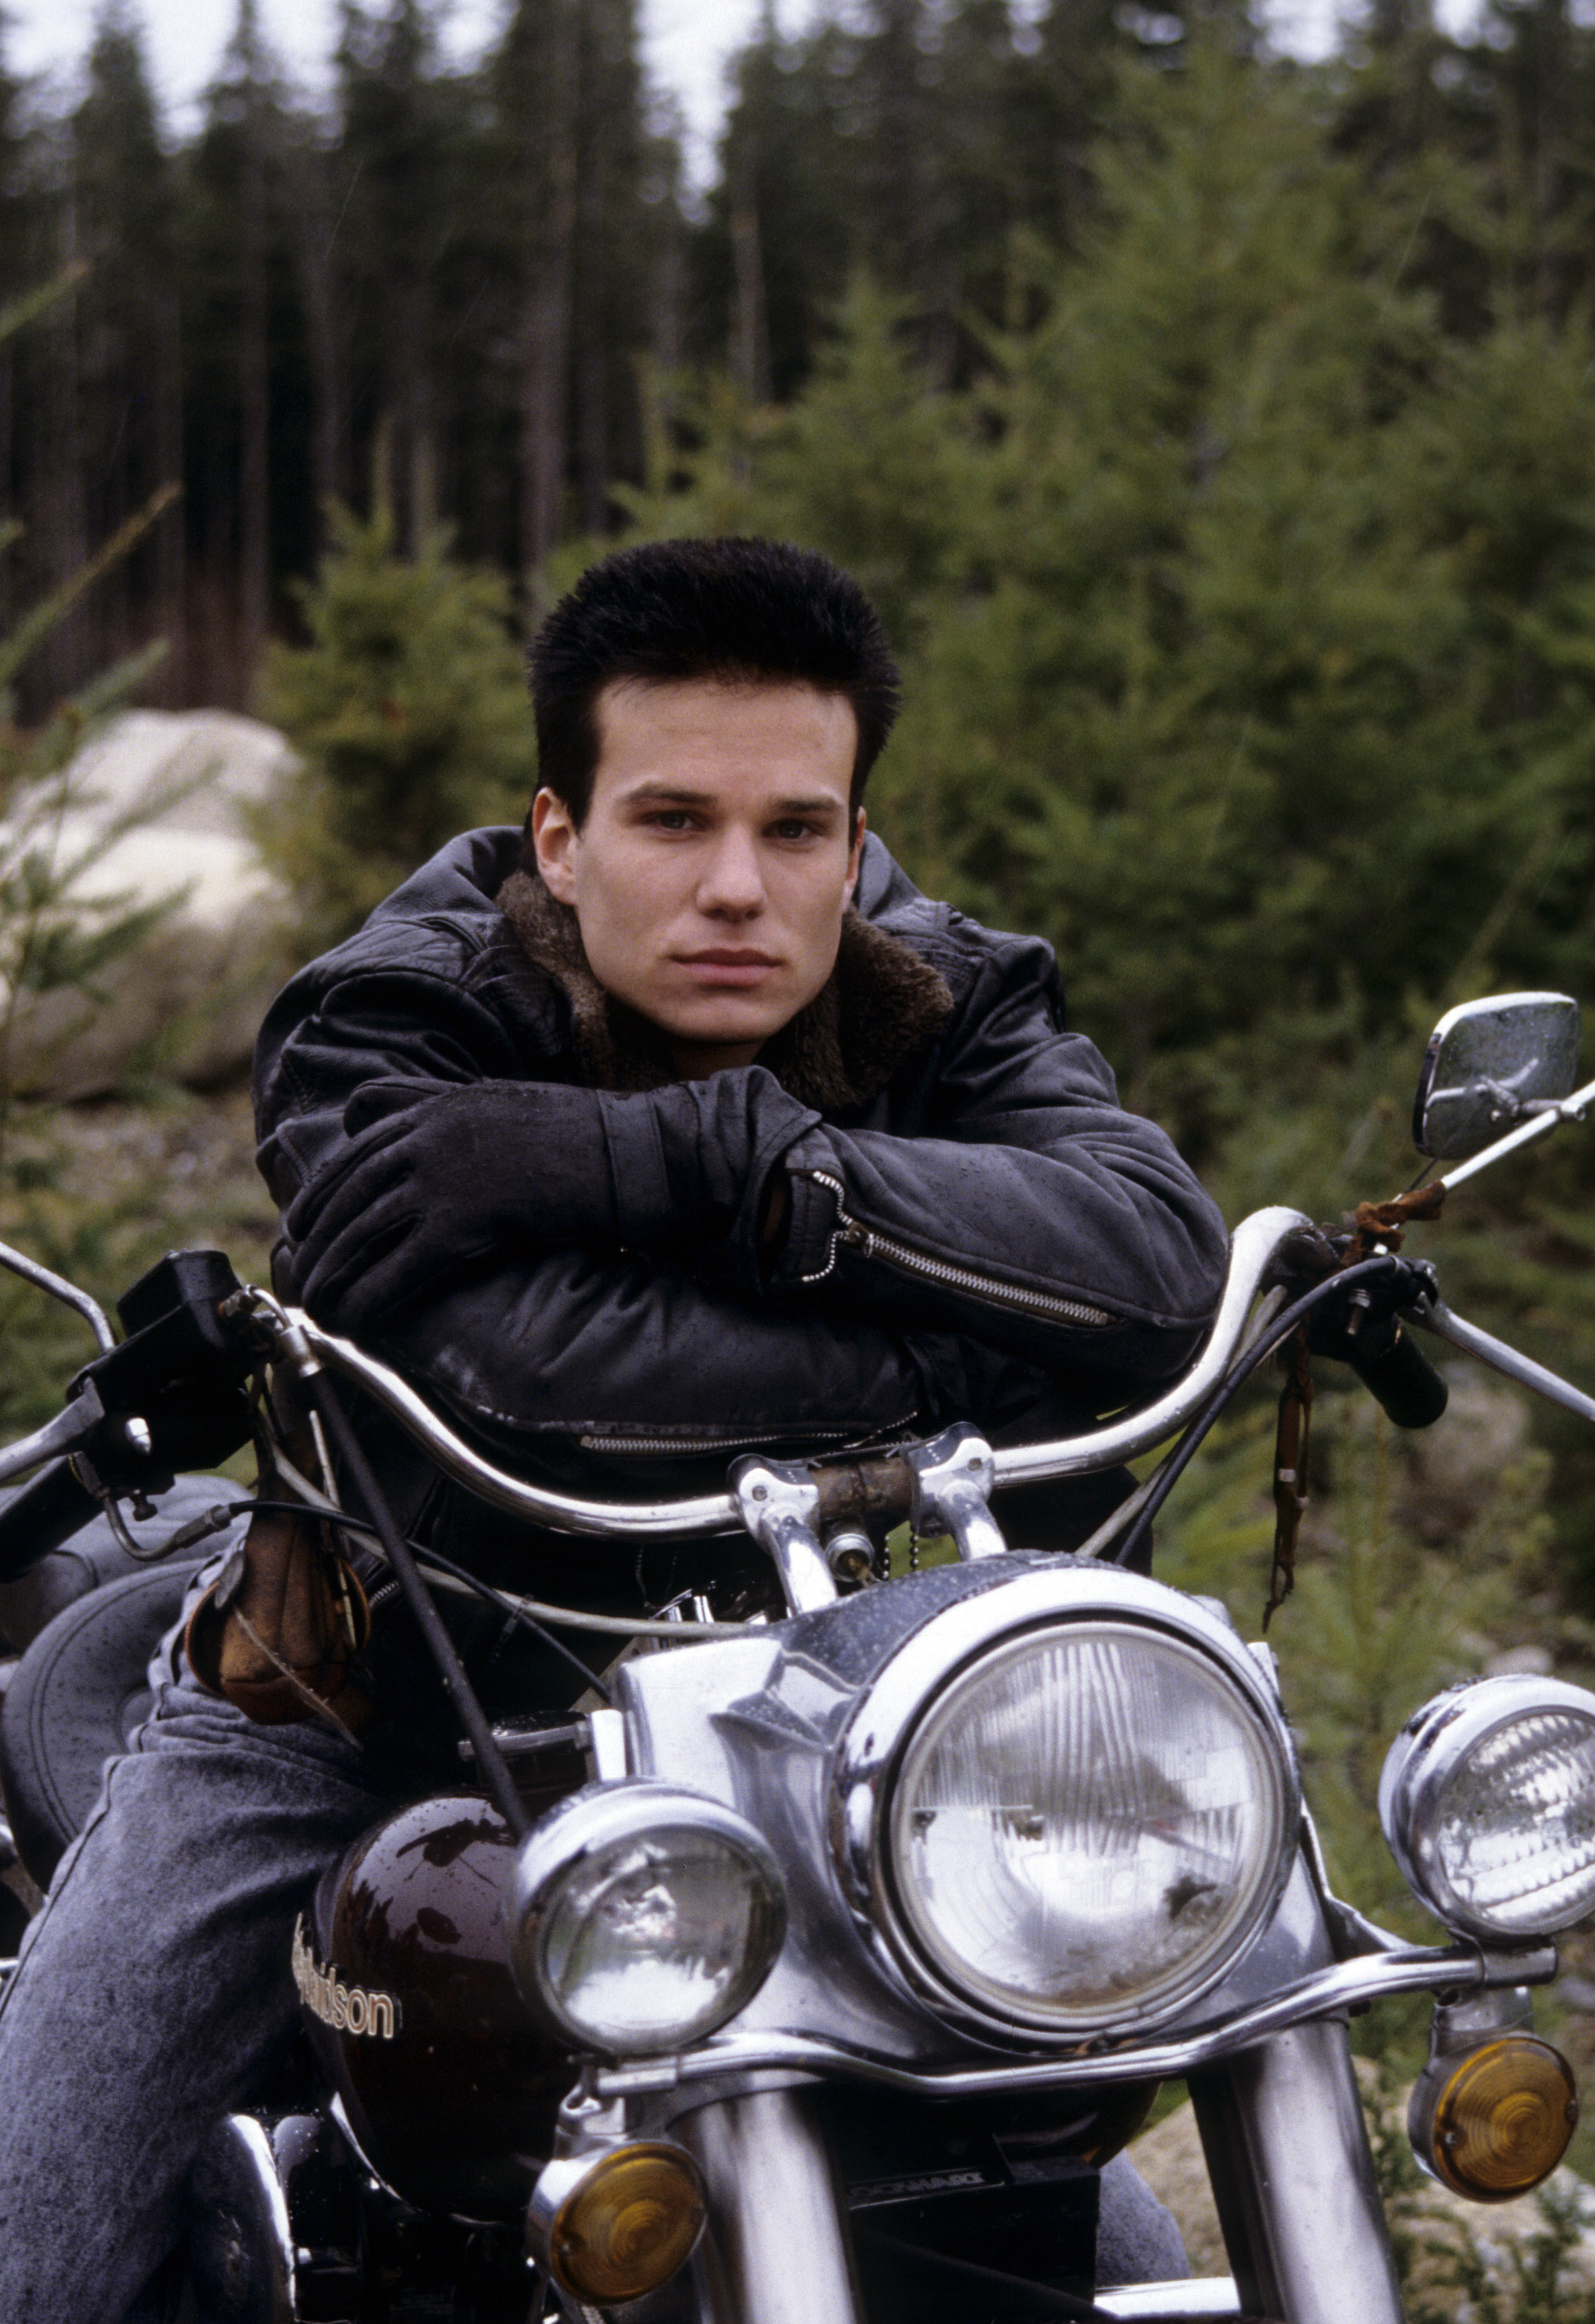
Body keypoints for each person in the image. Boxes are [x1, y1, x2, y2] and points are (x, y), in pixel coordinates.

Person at [0, 537, 1227, 2320]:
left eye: (795, 829)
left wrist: (683, 1157)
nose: (737, 886)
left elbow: (1152, 1261)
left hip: (806, 1745)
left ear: (855, 845)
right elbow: (520, 1375)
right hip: (368, 1718)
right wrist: (987, 1348)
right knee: (36, 2244)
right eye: (670, 821)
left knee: (1100, 2255)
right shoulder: (389, 1021)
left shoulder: (947, 993)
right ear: (558, 839)